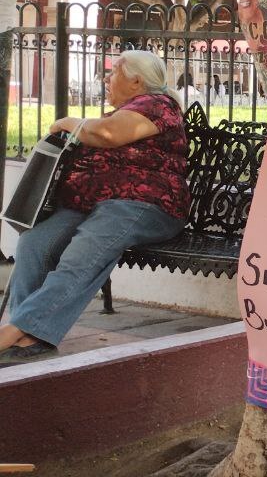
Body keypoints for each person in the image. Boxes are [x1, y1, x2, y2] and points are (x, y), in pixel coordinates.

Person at [0, 51, 189, 362]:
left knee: (81, 255)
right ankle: (30, 337)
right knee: (35, 243)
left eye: (114, 72)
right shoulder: (127, 109)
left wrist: (65, 122)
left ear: (137, 81)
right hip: (96, 205)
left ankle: (14, 330)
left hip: (143, 205)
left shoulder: (157, 105)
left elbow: (109, 134)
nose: (106, 78)